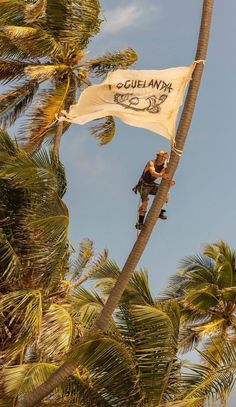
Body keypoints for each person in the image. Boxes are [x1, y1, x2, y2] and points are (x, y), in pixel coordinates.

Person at [133, 150, 174, 230]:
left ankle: (159, 210)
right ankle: (140, 223)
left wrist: (170, 181)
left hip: (151, 185)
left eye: (164, 158)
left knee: (165, 192)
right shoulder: (151, 163)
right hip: (143, 185)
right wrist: (161, 175)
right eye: (161, 157)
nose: (162, 159)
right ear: (157, 156)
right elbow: (153, 173)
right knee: (145, 202)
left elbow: (164, 175)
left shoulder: (163, 166)